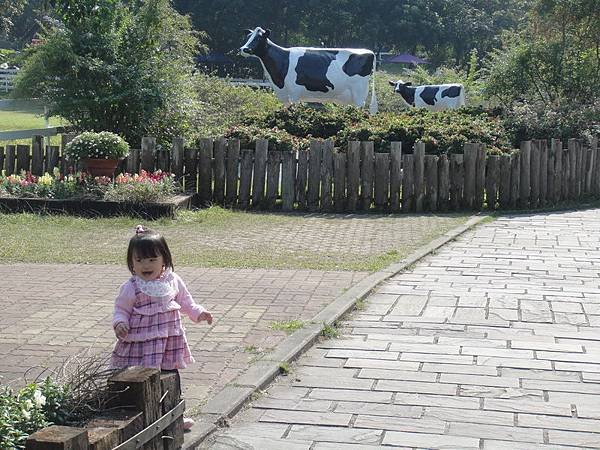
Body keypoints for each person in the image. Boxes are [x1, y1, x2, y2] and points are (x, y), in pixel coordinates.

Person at [111, 224, 213, 430]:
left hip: (169, 343)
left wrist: (199, 312)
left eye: (152, 259)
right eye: (139, 260)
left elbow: (186, 302)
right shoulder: (132, 287)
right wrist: (120, 322)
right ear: (131, 262)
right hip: (141, 344)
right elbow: (121, 309)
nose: (145, 265)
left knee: (170, 378)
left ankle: (174, 415)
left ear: (164, 259)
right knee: (141, 381)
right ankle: (140, 419)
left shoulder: (173, 280)